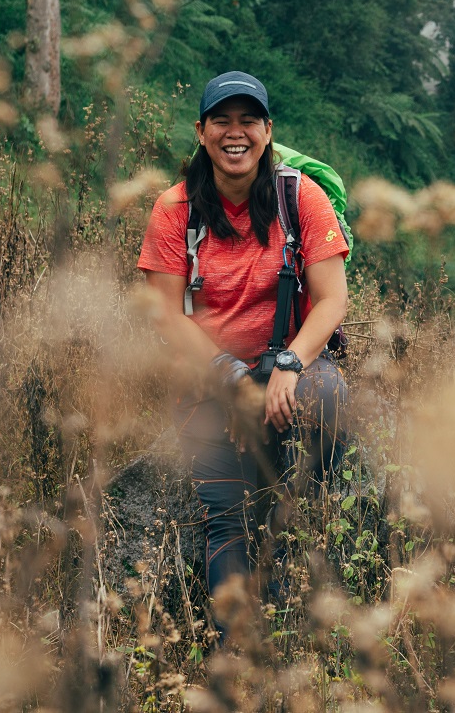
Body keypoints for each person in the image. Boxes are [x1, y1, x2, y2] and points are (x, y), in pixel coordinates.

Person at [137, 71, 350, 610]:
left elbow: (331, 300)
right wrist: (227, 375)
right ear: (201, 131)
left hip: (287, 371)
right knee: (227, 518)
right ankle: (236, 658)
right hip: (209, 380)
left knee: (324, 400)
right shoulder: (175, 209)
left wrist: (290, 362)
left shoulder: (301, 199)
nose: (237, 133)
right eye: (222, 121)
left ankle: (296, 537)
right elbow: (165, 312)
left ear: (268, 130)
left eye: (248, 120)